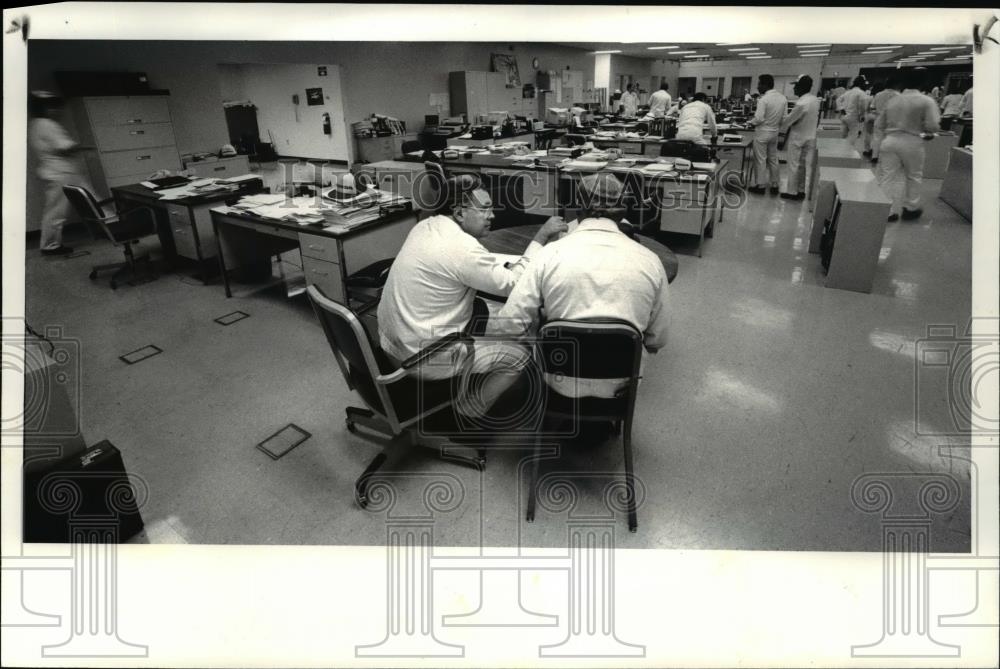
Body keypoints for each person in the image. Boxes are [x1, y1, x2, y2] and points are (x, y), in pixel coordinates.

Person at [377, 178, 567, 413]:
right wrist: (540, 237)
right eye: (484, 208)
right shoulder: (461, 248)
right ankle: (468, 411)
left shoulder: (425, 226)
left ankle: (476, 378)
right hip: (422, 357)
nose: (492, 215)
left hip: (393, 343)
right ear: (459, 213)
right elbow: (515, 284)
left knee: (498, 314)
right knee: (521, 354)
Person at [493, 172, 669, 400]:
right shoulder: (650, 260)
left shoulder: (548, 255)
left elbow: (510, 324)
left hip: (556, 377)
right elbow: (658, 339)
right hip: (620, 382)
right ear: (623, 212)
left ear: (579, 209)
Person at [28, 91, 95, 255]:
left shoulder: (36, 124)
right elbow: (65, 148)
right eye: (53, 107)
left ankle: (113, 227)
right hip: (60, 173)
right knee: (57, 211)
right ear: (43, 108)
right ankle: (50, 246)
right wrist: (84, 147)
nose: (57, 111)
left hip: (58, 171)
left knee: (91, 200)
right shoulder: (46, 124)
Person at [875, 69, 941, 222]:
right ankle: (910, 208)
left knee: (887, 176)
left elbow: (880, 123)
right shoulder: (926, 101)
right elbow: (932, 126)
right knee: (914, 176)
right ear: (923, 82)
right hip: (912, 141)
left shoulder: (893, 100)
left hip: (890, 140)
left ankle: (887, 211)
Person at [779, 75, 820, 200]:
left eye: (796, 86)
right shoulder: (814, 100)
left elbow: (788, 121)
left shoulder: (801, 103)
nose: (794, 89)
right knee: (802, 165)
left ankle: (792, 192)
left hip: (798, 138)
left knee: (793, 165)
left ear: (802, 87)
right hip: (810, 136)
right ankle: (801, 190)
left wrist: (783, 119)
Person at [747, 74, 787, 195]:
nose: (758, 87)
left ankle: (761, 186)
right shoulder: (783, 98)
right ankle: (775, 185)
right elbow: (784, 118)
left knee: (760, 159)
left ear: (765, 85)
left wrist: (750, 122)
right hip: (774, 132)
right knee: (773, 159)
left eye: (759, 84)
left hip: (762, 132)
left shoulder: (763, 99)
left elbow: (758, 118)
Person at [870, 74, 903, 163]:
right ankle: (885, 157)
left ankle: (874, 156)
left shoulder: (878, 94)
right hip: (892, 121)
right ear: (896, 84)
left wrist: (877, 112)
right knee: (889, 139)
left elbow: (872, 107)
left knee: (877, 138)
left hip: (878, 119)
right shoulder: (899, 96)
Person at [837, 76, 868, 145]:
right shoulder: (861, 93)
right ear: (862, 84)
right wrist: (862, 115)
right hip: (853, 117)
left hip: (844, 116)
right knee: (853, 135)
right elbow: (863, 106)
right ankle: (848, 150)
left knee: (843, 135)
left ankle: (841, 149)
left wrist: (841, 109)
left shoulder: (848, 92)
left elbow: (838, 100)